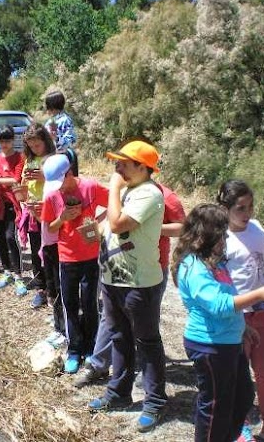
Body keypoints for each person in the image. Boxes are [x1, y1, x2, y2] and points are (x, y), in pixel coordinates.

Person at [173, 204, 264, 442]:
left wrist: (243, 327)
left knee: (243, 397)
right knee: (215, 408)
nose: (226, 238)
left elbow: (227, 301)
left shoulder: (215, 263)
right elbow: (219, 305)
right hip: (210, 346)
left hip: (228, 341)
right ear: (207, 235)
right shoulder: (194, 267)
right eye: (222, 233)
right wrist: (260, 295)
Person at [86, 141, 167, 434]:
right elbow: (110, 229)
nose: (116, 168)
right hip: (112, 279)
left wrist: (112, 189)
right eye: (116, 163)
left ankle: (155, 401)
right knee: (119, 336)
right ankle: (119, 393)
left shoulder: (149, 194)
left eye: (123, 163)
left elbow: (119, 224)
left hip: (139, 284)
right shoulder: (129, 192)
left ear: (143, 168)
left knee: (147, 341)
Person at [75, 180, 184, 387]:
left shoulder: (165, 196)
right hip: (117, 266)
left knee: (145, 323)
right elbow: (111, 219)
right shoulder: (124, 192)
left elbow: (182, 227)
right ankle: (97, 365)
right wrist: (95, 229)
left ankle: (146, 372)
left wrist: (148, 226)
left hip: (150, 268)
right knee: (111, 319)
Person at [216, 180, 264, 442]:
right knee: (238, 375)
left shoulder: (257, 228)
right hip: (238, 315)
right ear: (225, 208)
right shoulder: (220, 238)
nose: (247, 213)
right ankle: (241, 426)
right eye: (241, 208)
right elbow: (218, 282)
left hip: (262, 312)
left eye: (250, 206)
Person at [41, 154, 108, 373]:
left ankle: (91, 348)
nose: (59, 189)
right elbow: (50, 228)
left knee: (89, 304)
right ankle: (74, 350)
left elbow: (115, 203)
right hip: (66, 257)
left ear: (69, 173)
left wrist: (97, 222)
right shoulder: (52, 196)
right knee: (70, 304)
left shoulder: (90, 187)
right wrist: (63, 218)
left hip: (90, 256)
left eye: (61, 183)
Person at [0, 125, 27, 296]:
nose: (4, 144)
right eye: (1, 141)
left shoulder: (19, 157)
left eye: (7, 140)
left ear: (13, 140)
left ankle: (18, 274)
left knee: (10, 237)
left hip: (12, 202)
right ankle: (7, 271)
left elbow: (16, 179)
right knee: (0, 238)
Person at [20, 123, 57, 309]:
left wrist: (44, 177)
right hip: (33, 210)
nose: (35, 149)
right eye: (31, 146)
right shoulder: (29, 160)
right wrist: (22, 192)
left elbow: (63, 182)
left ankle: (53, 290)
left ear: (45, 142)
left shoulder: (53, 159)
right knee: (35, 251)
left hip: (50, 211)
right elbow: (24, 185)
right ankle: (41, 289)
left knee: (49, 252)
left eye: (38, 145)